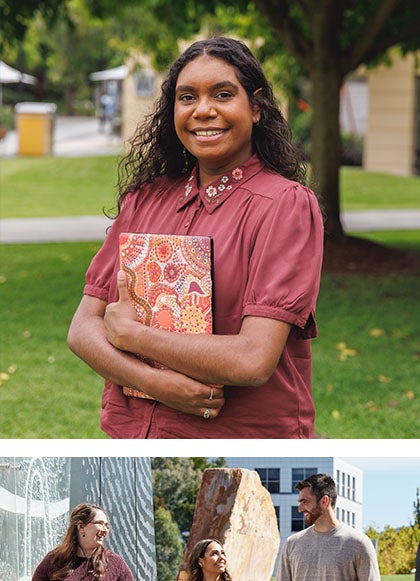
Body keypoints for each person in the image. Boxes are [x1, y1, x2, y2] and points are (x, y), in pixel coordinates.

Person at [67, 36, 324, 439]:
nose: (203, 111)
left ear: (256, 108)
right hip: (137, 434)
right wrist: (154, 383)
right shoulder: (144, 200)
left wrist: (134, 335)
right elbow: (83, 328)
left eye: (223, 94)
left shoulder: (284, 205)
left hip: (236, 437)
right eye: (187, 98)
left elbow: (253, 360)